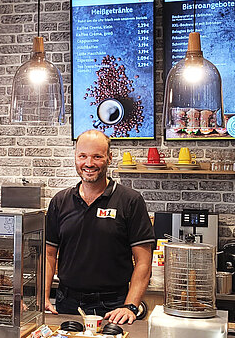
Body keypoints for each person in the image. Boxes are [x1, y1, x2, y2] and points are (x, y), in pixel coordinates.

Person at [45, 130, 154, 325]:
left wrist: (130, 305)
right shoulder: (60, 201)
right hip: (66, 302)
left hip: (114, 306)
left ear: (109, 158)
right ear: (75, 157)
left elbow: (143, 261)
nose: (89, 163)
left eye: (97, 156)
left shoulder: (130, 201)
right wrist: (43, 296)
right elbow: (48, 255)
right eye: (83, 156)